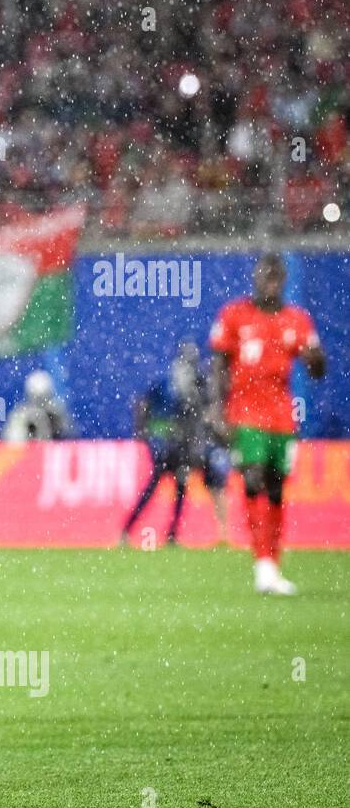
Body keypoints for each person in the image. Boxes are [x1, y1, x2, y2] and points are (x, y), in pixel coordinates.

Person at [209, 253, 326, 595]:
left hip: (282, 418)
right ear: (256, 278)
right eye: (265, 276)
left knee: (275, 490)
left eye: (276, 277)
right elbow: (219, 364)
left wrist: (316, 359)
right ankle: (261, 563)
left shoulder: (297, 321)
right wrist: (218, 409)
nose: (270, 282)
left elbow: (317, 371)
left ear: (284, 281)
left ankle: (272, 564)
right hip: (245, 414)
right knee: (253, 477)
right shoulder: (235, 315)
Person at [119, 343, 202, 547]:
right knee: (156, 487)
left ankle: (172, 533)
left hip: (179, 444)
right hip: (164, 444)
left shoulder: (192, 387)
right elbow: (143, 404)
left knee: (179, 487)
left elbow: (191, 420)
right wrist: (145, 434)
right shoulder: (166, 383)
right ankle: (129, 529)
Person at [3, 370, 71, 441]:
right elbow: (11, 441)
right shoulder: (20, 415)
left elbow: (67, 437)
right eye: (37, 397)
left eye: (43, 397)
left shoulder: (57, 413)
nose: (40, 401)